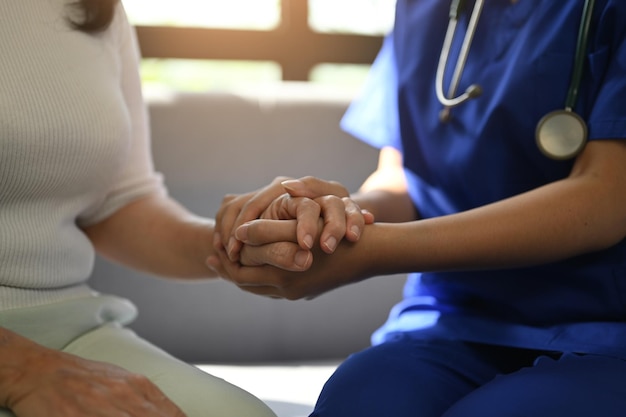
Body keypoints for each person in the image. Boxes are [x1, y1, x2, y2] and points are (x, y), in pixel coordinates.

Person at [209, 0, 626, 416]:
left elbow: (606, 197)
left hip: (606, 331)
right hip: (453, 321)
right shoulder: (422, 8)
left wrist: (373, 251)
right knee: (359, 401)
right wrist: (332, 217)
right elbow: (406, 179)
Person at [0, 1, 367, 416]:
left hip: (72, 325)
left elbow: (119, 206)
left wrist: (244, 235)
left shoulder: (96, 9)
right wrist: (19, 368)